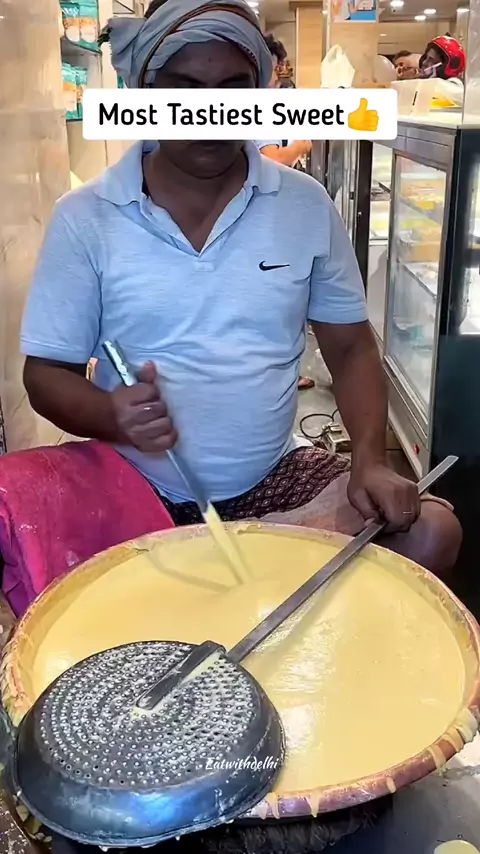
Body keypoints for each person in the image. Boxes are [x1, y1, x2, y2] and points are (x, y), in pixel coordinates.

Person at [21, 0, 462, 580]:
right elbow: (45, 374)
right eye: (184, 90)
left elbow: (351, 348)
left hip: (272, 479)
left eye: (233, 90)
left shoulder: (304, 206)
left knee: (432, 531)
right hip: (132, 484)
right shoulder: (86, 217)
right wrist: (109, 414)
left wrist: (369, 459)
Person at [256, 34, 315, 391]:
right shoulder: (259, 106)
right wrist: (301, 145)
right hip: (264, 218)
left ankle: (281, 373)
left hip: (262, 215)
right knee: (276, 302)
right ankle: (280, 376)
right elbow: (271, 160)